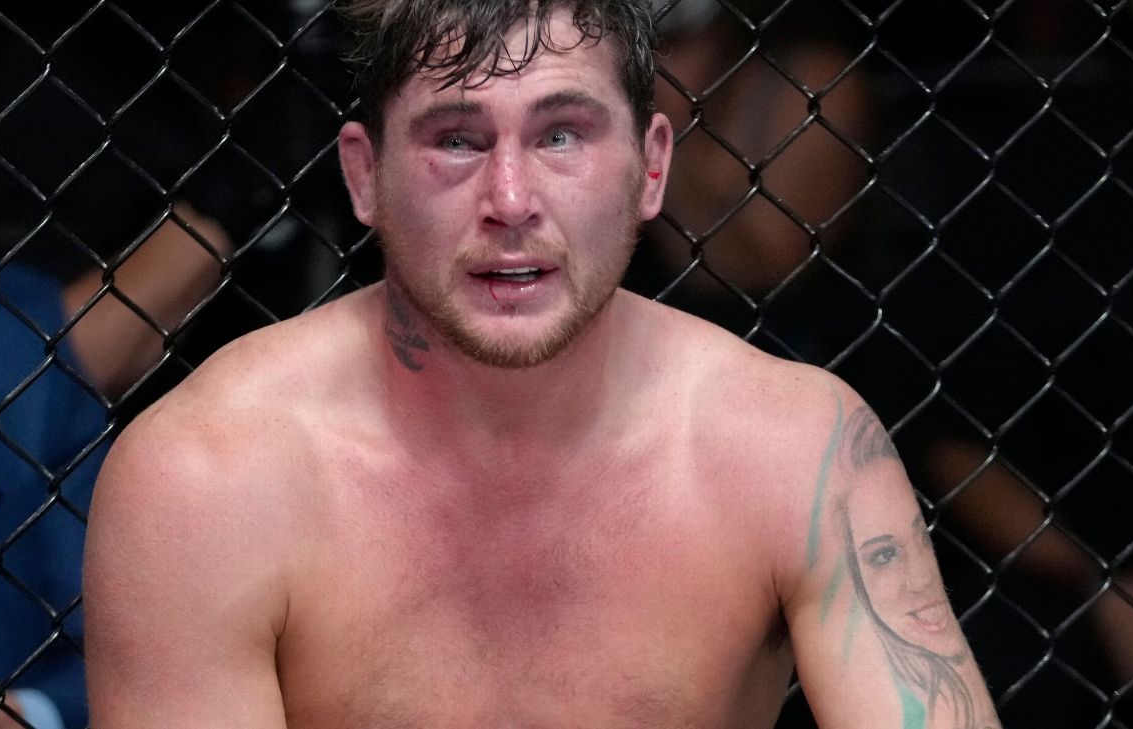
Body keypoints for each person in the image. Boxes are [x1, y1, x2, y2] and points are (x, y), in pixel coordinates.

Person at [83, 1, 1001, 727]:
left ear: (650, 167)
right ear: (365, 177)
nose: (512, 199)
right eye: (456, 139)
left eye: (562, 134)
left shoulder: (798, 448)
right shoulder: (209, 474)